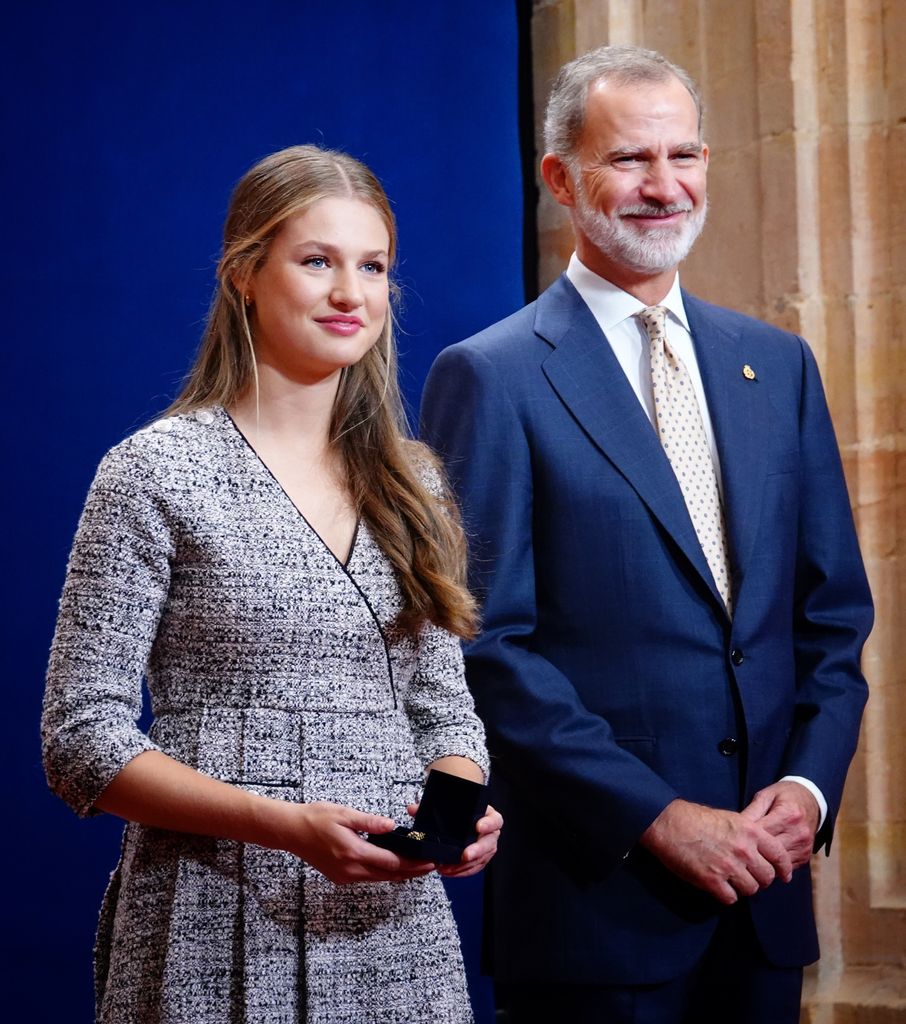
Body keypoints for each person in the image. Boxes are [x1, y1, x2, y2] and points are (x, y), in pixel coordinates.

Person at [420, 45, 872, 1024]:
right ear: (560, 179)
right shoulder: (491, 375)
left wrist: (805, 791)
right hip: (594, 911)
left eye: (685, 156)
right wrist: (659, 818)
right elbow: (483, 644)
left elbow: (833, 620)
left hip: (764, 899)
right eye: (630, 160)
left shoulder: (778, 364)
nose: (664, 187)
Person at [42, 144, 502, 1024]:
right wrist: (281, 826)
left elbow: (444, 706)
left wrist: (459, 805)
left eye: (372, 267)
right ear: (245, 275)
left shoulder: (414, 479)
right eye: (317, 261)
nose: (350, 293)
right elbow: (79, 738)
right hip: (214, 913)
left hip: (393, 932)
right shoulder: (157, 470)